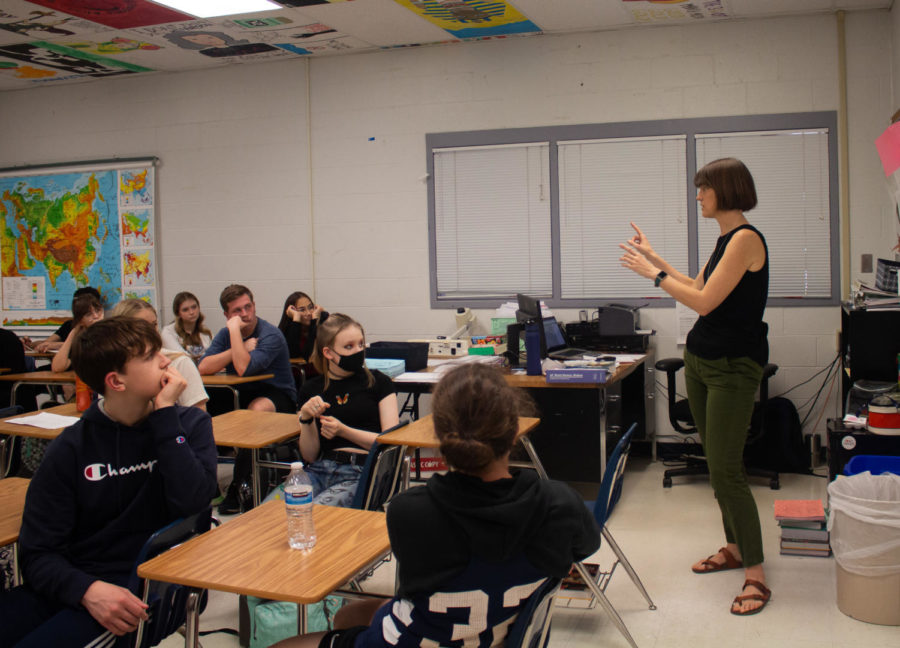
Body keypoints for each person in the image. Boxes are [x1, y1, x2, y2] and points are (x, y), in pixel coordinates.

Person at [273, 363, 601, 648]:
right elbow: (583, 548)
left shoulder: (409, 510)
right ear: (515, 432)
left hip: (415, 638)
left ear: (439, 440)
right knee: (349, 614)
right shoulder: (560, 504)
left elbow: (418, 591)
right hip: (496, 632)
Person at [0, 317, 218, 648]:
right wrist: (86, 590)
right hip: (81, 582)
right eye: (150, 356)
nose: (166, 360)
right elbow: (38, 553)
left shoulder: (189, 425)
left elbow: (194, 504)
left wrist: (164, 417)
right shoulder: (70, 449)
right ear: (116, 382)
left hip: (153, 588)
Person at [619, 157, 771, 616]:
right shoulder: (726, 239)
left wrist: (654, 278)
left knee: (726, 470)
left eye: (703, 189)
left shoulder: (745, 240)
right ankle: (734, 547)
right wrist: (655, 260)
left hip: (731, 368)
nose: (699, 196)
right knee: (716, 462)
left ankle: (756, 575)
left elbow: (703, 303)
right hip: (702, 364)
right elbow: (697, 283)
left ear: (724, 190)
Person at [199, 284, 297, 513]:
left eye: (248, 307)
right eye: (237, 311)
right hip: (243, 393)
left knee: (254, 412)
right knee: (200, 412)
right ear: (227, 315)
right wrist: (240, 344)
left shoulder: (269, 334)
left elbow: (243, 368)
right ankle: (208, 484)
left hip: (278, 394)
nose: (245, 314)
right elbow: (203, 367)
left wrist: (234, 333)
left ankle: (239, 486)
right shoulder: (226, 336)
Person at [295, 313, 399, 507]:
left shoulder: (379, 383)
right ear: (328, 353)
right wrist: (306, 419)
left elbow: (390, 444)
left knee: (315, 512)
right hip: (319, 469)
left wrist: (344, 431)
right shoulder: (311, 389)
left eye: (360, 344)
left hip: (362, 470)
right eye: (349, 347)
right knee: (273, 511)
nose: (358, 351)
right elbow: (309, 455)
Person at [110, 299, 209, 410]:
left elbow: (200, 420)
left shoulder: (179, 362)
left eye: (154, 325)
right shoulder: (113, 369)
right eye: (143, 327)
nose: (153, 332)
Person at [29, 287, 103, 353]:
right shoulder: (69, 325)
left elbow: (90, 347)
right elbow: (46, 343)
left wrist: (60, 345)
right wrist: (29, 344)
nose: (95, 316)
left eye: (97, 310)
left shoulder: (104, 328)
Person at [50, 293, 104, 373]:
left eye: (98, 310)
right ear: (80, 321)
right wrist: (73, 333)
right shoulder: (81, 340)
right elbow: (57, 368)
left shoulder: (111, 333)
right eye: (89, 314)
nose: (96, 316)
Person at [277, 291, 329, 362]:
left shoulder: (323, 322)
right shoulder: (287, 329)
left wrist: (315, 320)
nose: (308, 313)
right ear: (292, 312)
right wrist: (296, 318)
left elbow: (309, 355)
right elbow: (293, 355)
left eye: (311, 307)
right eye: (302, 310)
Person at [161, 291, 212, 361]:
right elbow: (180, 356)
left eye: (194, 307)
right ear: (178, 313)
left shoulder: (205, 332)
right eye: (185, 310)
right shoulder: (168, 332)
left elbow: (213, 355)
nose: (191, 312)